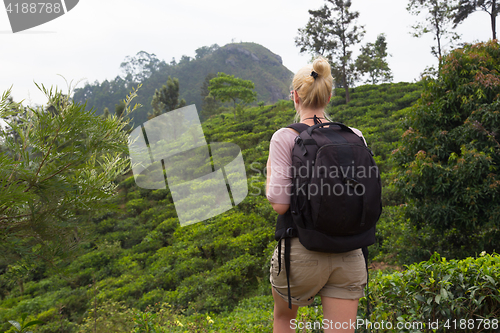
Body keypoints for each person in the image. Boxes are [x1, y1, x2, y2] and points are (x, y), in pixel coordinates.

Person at [266, 57, 367, 333]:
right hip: (350, 252)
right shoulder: (355, 136)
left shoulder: (284, 137)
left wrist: (269, 175)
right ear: (329, 95)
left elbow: (280, 204)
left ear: (295, 96)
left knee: (285, 320)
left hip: (302, 250)